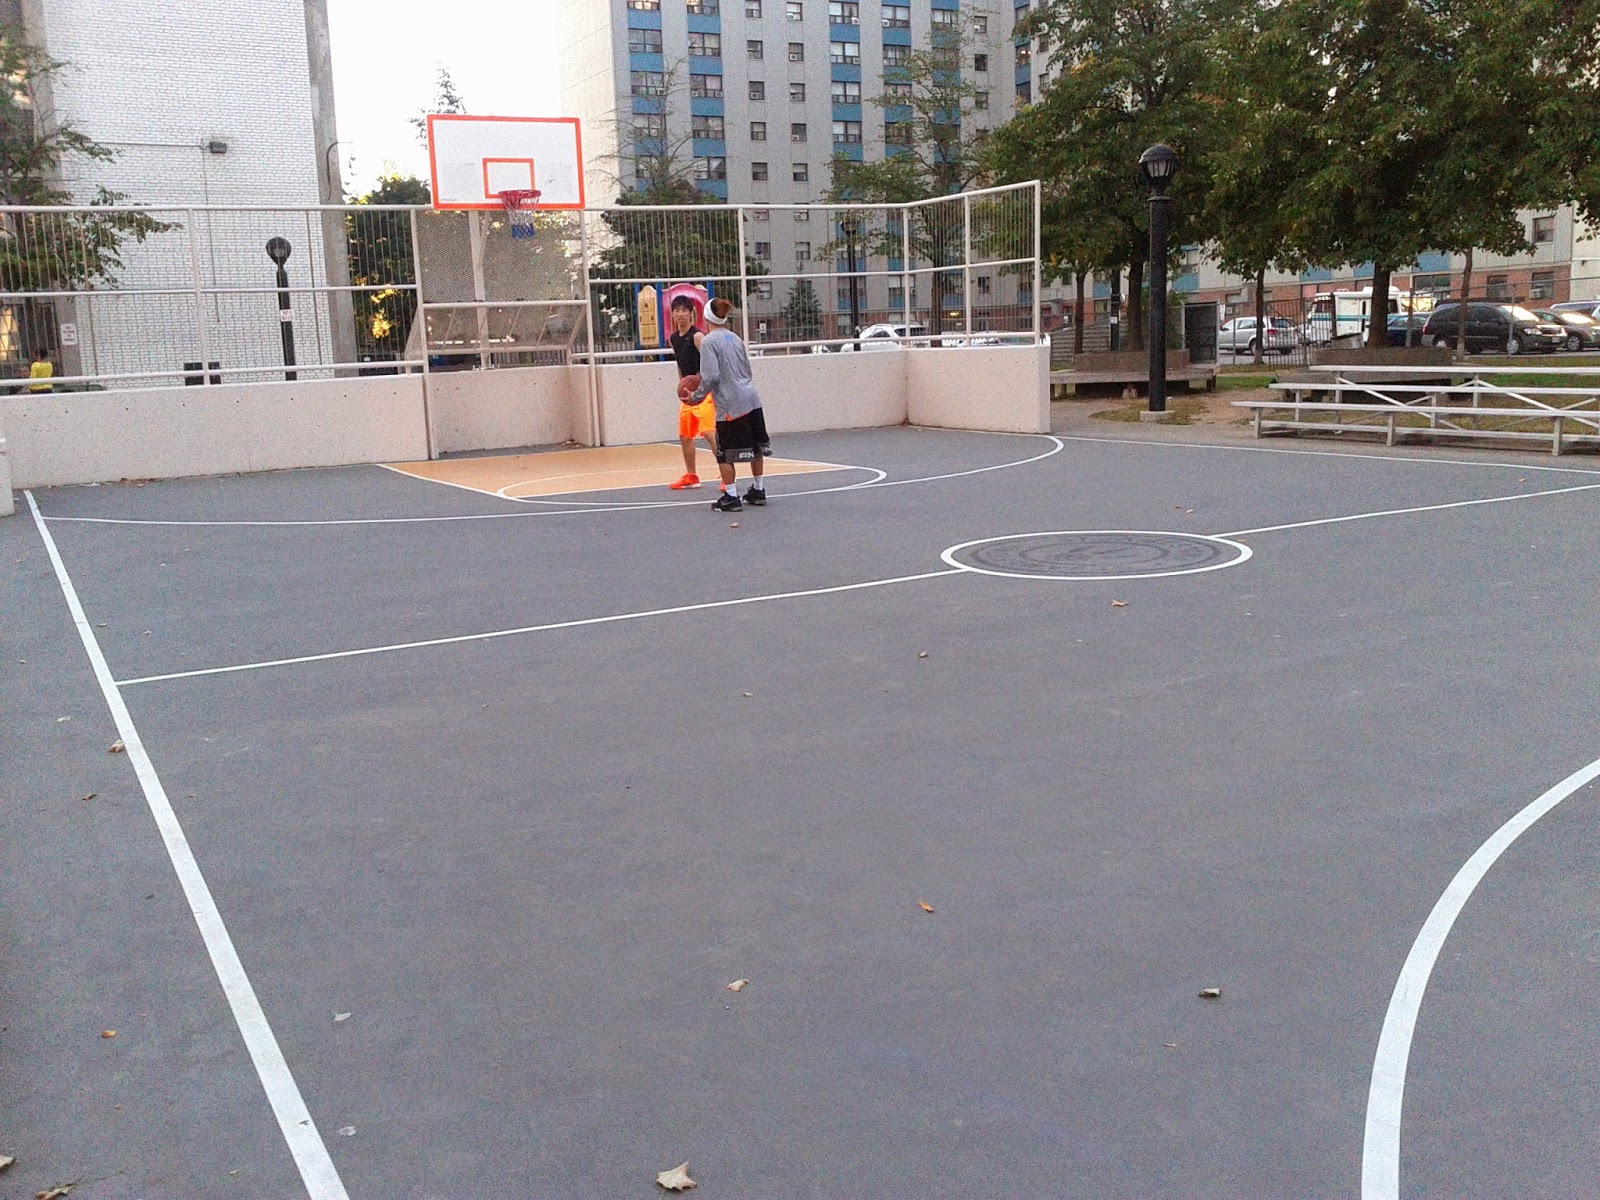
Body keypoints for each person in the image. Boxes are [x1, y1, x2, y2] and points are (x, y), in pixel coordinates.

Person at [689, 297, 770, 512]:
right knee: (756, 447)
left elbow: (711, 376)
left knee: (724, 452)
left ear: (706, 316)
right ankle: (758, 490)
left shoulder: (708, 341)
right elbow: (747, 369)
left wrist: (696, 395)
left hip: (730, 403)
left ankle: (731, 496)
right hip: (751, 397)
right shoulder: (735, 338)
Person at [666, 295, 716, 489]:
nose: (680, 314)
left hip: (703, 392)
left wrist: (703, 387)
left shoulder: (698, 337)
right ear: (673, 314)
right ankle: (692, 475)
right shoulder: (673, 338)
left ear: (691, 313)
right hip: (688, 394)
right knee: (685, 435)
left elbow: (710, 363)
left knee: (709, 433)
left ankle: (726, 475)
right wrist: (682, 386)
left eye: (684, 310)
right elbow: (680, 364)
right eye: (676, 310)